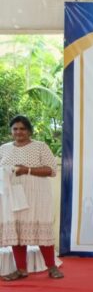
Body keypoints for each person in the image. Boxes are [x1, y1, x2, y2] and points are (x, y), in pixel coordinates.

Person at [0, 115, 63, 281]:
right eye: (15, 129)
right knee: (17, 231)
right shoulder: (4, 149)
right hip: (12, 197)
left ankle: (52, 267)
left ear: (29, 131)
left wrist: (26, 170)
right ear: (11, 131)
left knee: (41, 229)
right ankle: (21, 270)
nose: (18, 132)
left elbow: (51, 171)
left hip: (37, 196)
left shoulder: (40, 147)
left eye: (22, 128)